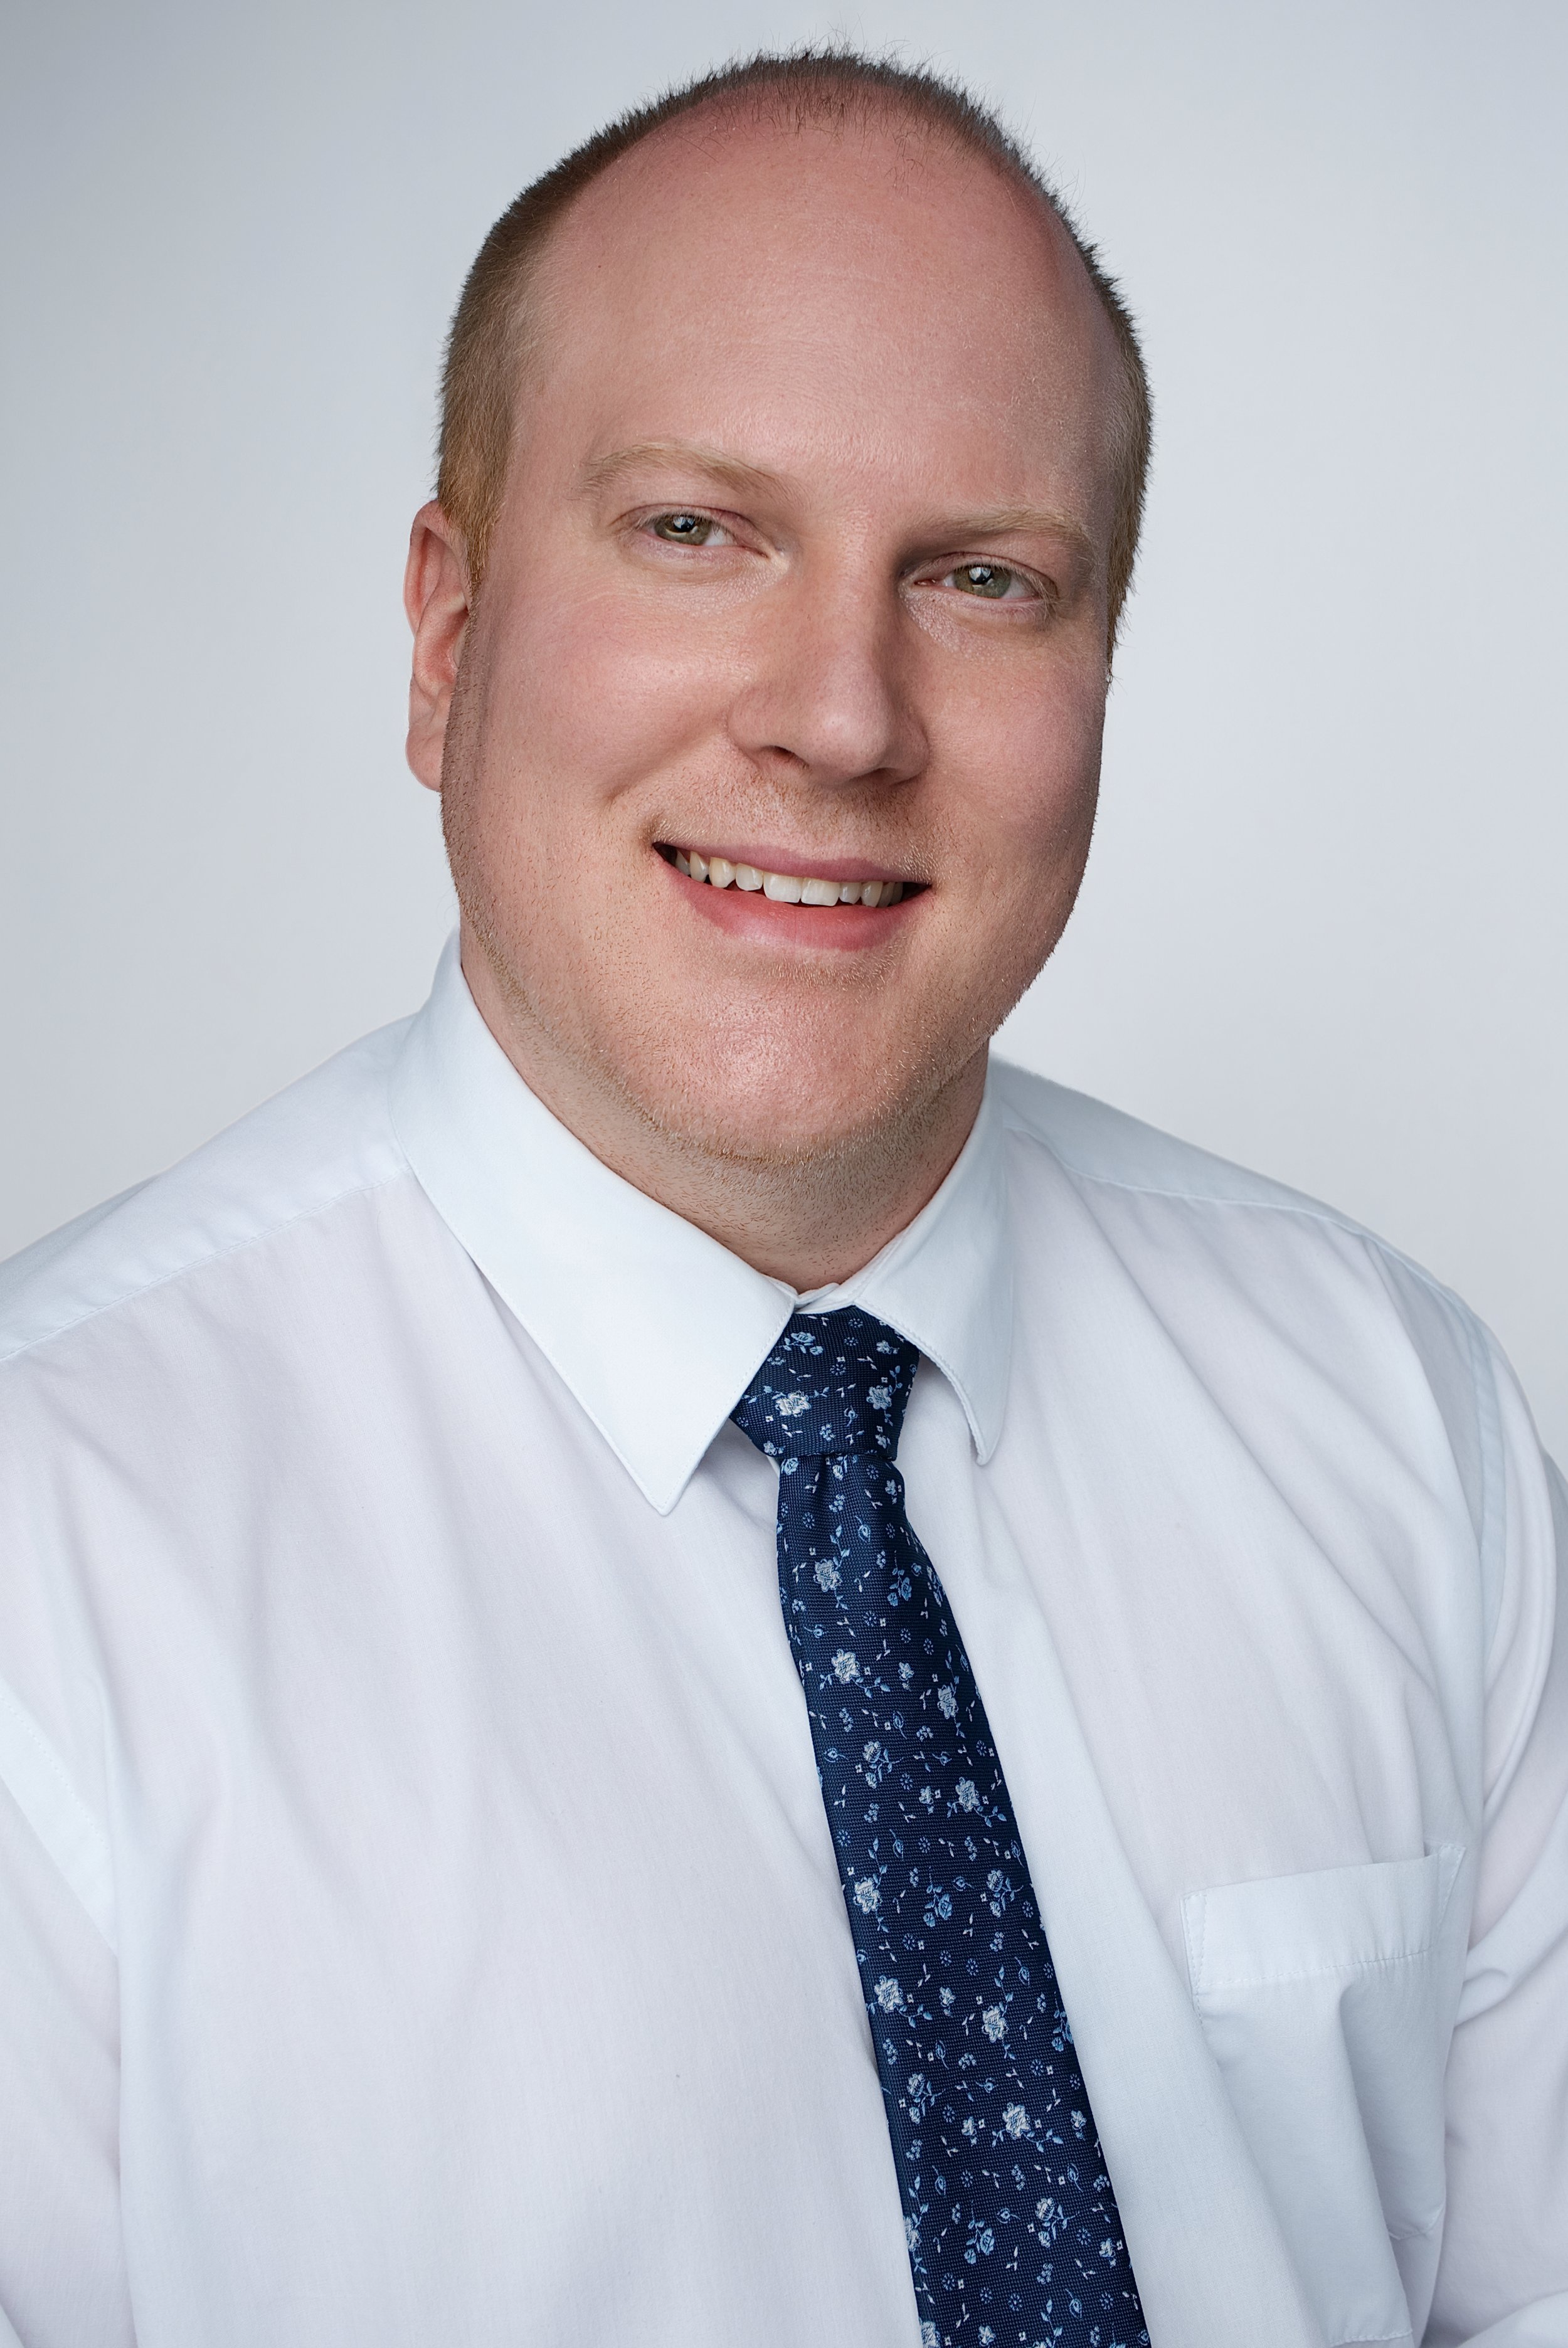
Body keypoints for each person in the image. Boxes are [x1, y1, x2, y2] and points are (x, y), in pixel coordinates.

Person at [0, 44, 1562, 2348]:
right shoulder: (52, 1549)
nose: (841, 715)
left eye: (983, 577)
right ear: (446, 638)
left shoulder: (1399, 1425)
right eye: (696, 532)